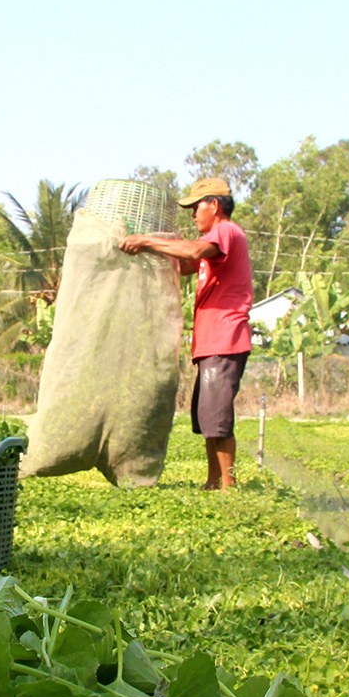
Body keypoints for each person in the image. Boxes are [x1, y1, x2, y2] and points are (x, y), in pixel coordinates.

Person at [119, 177, 253, 489]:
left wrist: (147, 241)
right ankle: (213, 482)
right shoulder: (213, 246)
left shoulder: (225, 231)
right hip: (211, 342)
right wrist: (143, 253)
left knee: (218, 419)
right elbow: (179, 265)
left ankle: (229, 488)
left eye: (196, 207)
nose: (193, 214)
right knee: (208, 418)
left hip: (225, 337)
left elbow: (192, 252)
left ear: (214, 205)